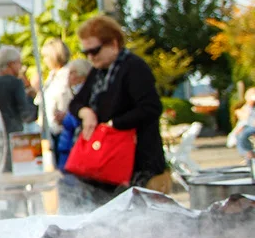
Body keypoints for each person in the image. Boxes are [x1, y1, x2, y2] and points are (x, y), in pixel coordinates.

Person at [65, 16, 168, 203]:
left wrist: (114, 124)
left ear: (113, 44)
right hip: (103, 165)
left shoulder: (134, 67)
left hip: (137, 162)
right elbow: (75, 103)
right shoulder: (98, 72)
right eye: (86, 52)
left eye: (94, 51)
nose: (90, 57)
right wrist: (85, 112)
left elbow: (151, 107)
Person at [0, 45, 36, 135]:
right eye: (18, 62)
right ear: (11, 64)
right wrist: (30, 98)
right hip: (13, 134)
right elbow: (25, 113)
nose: (20, 66)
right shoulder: (16, 83)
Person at [54, 58, 91, 171]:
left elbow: (79, 120)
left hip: (75, 149)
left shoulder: (85, 95)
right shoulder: (75, 94)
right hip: (66, 148)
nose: (69, 77)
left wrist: (65, 118)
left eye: (72, 72)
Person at [37, 38, 73, 141]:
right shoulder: (51, 76)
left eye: (46, 56)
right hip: (49, 130)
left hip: (63, 131)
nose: (44, 60)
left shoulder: (68, 74)